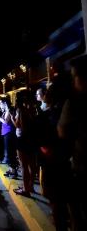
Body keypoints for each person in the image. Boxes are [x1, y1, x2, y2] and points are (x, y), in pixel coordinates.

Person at [58, 55, 87, 230]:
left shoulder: (75, 102)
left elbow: (62, 132)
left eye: (74, 76)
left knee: (78, 213)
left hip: (82, 167)